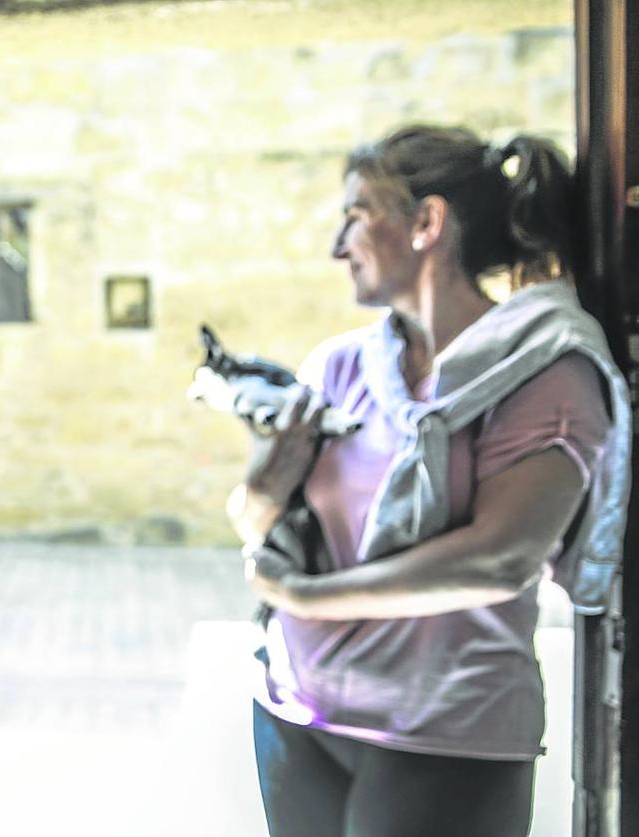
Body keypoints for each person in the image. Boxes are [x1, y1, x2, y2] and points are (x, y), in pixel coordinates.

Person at [189, 125, 630, 837]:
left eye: (356, 217)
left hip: (442, 738)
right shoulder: (337, 367)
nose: (338, 247)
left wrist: (307, 597)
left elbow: (500, 558)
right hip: (296, 712)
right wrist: (266, 488)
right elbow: (263, 522)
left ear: (427, 222)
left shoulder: (546, 369)